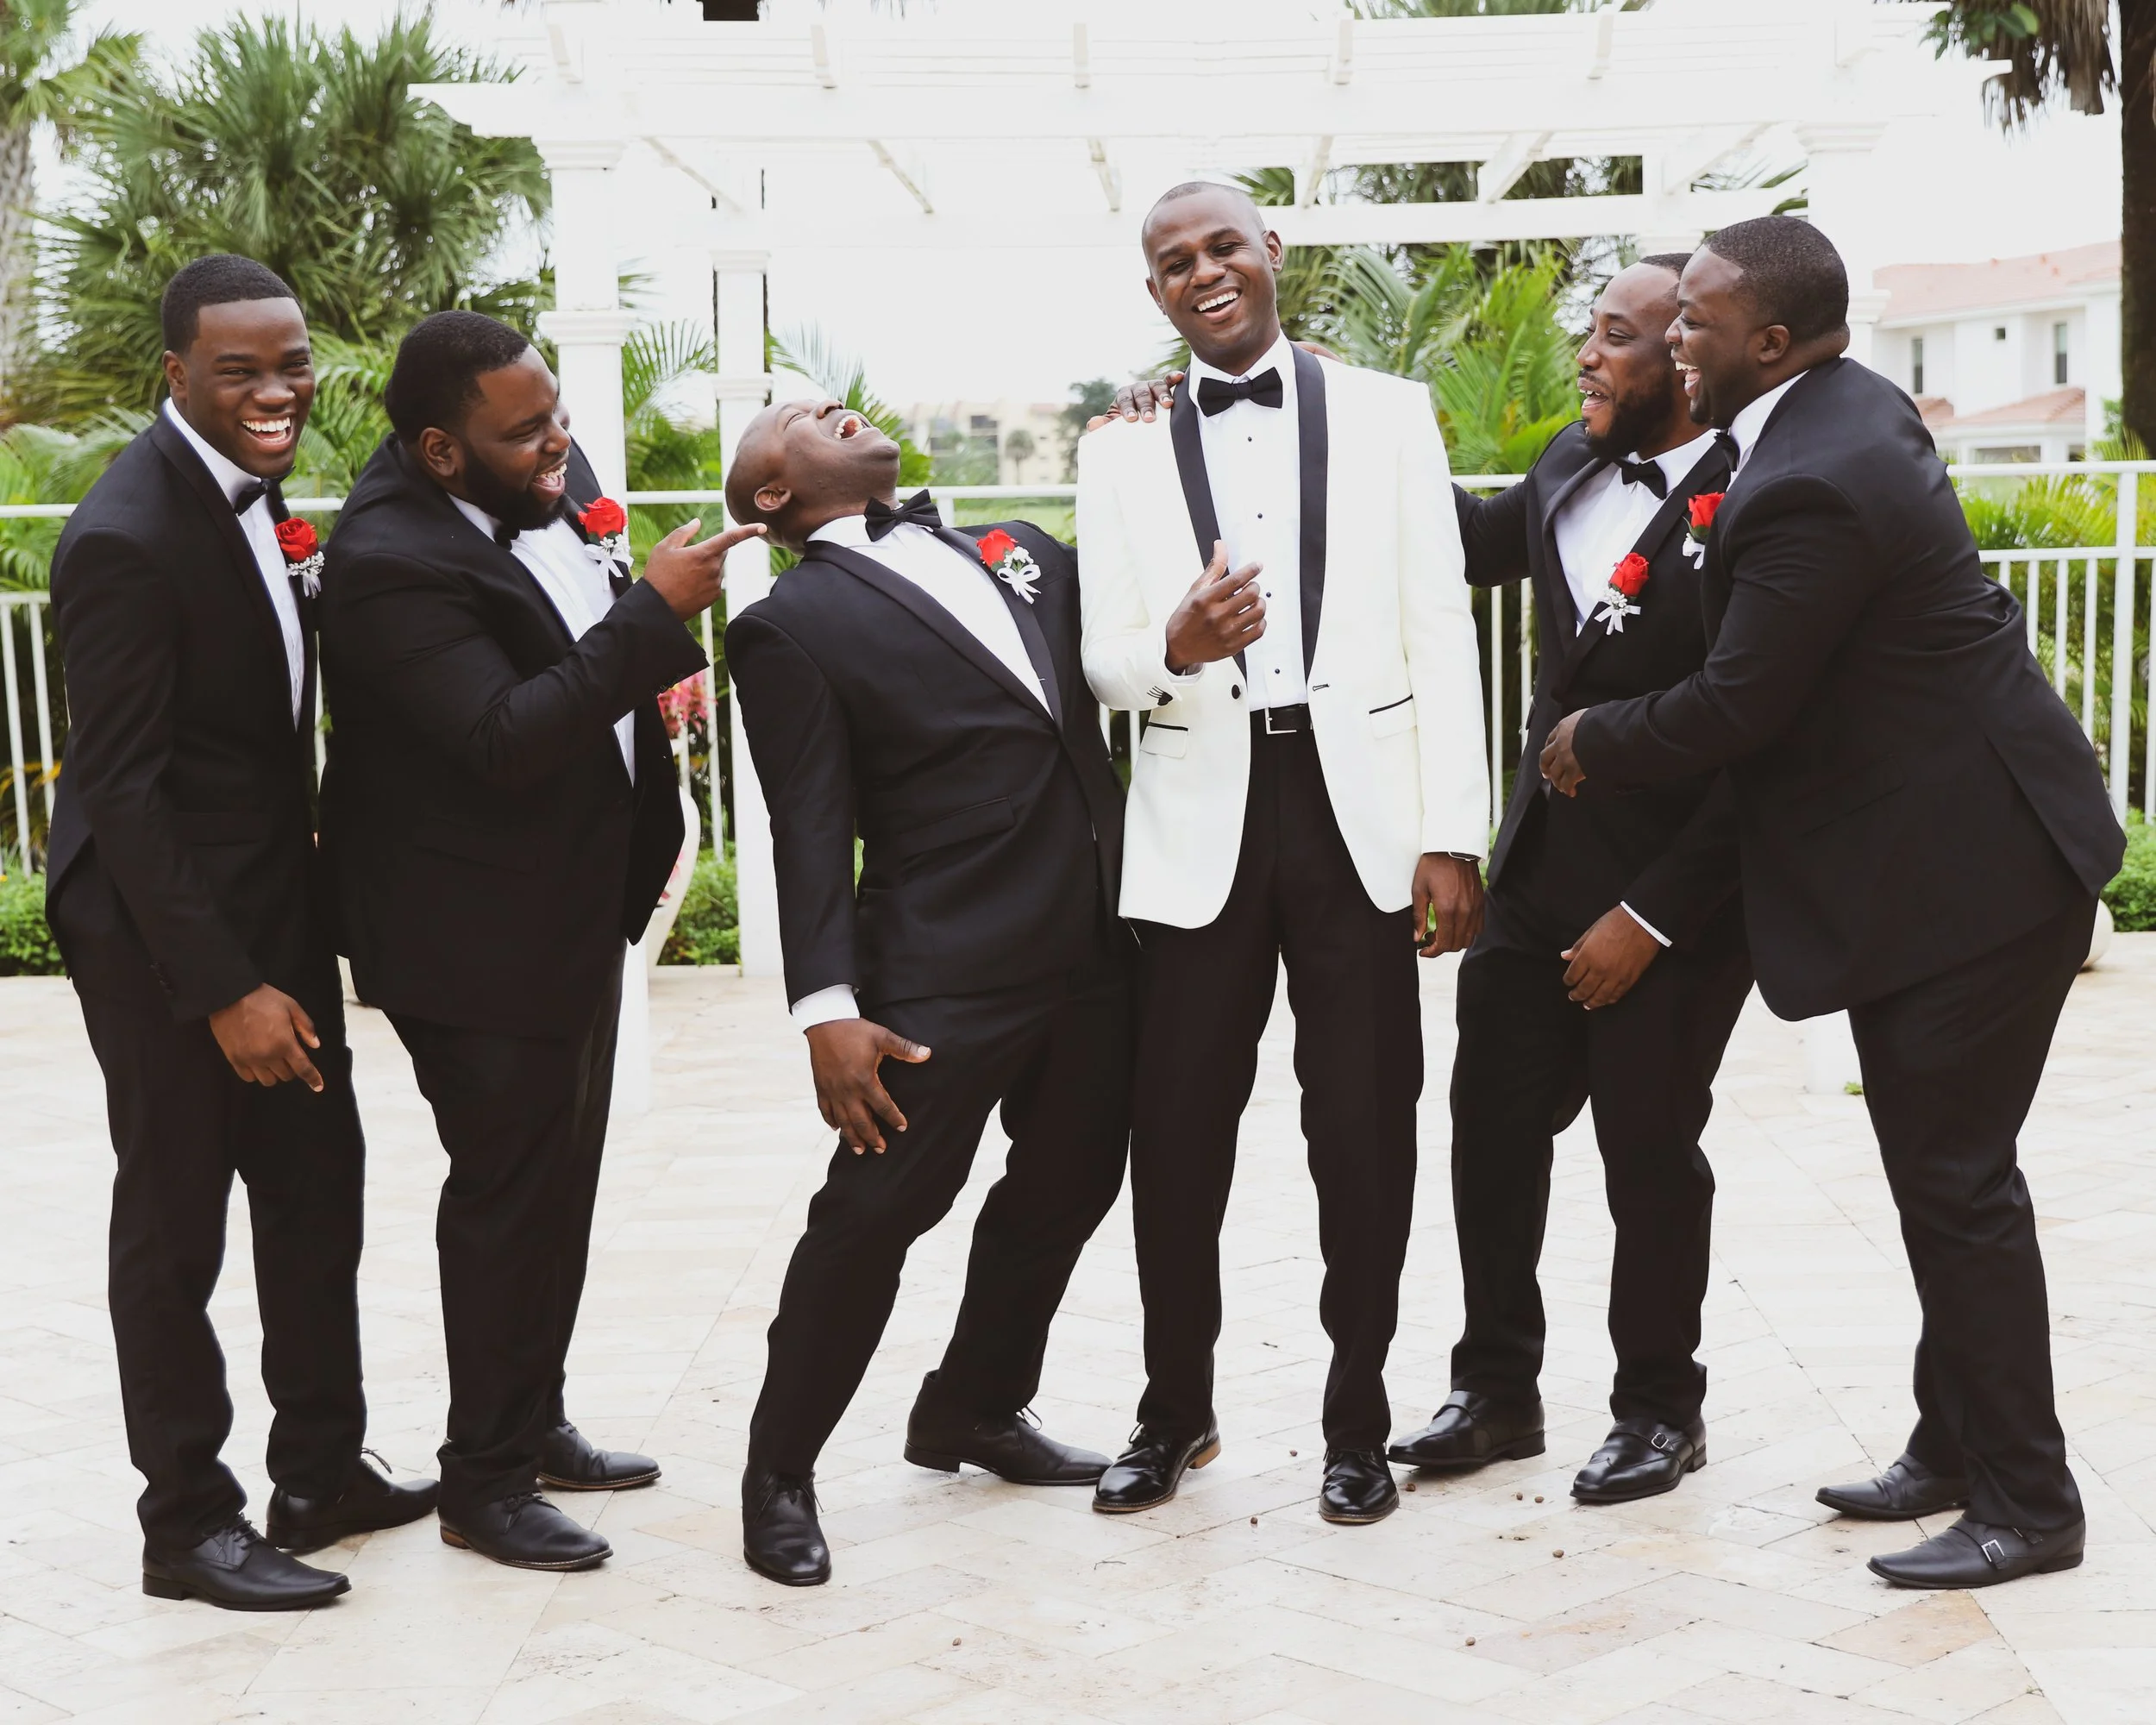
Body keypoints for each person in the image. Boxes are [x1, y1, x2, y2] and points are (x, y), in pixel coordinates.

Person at [1541, 216, 2125, 1589]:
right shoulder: (1836, 411)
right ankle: (1953, 1447)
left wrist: (1591, 740)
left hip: (1973, 880)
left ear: (1771, 340)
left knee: (1957, 1187)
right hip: (1958, 858)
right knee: (1947, 1176)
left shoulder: (1813, 475)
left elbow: (1742, 702)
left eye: (1695, 319)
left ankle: (2031, 1506)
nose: (1674, 337)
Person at [318, 311, 762, 1572]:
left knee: (558, 1186)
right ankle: (486, 1480)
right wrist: (656, 612)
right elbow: (503, 737)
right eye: (527, 432)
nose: (561, 442)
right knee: (507, 1196)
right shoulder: (388, 560)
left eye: (557, 411)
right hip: (468, 934)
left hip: (566, 910)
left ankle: (533, 1416)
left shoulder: (539, 483)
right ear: (441, 450)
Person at [1076, 182, 1489, 1527]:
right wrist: (1172, 647)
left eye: (1224, 247)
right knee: (1174, 1136)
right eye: (1173, 261)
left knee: (1362, 1130)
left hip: (1356, 813)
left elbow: (1441, 627)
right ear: (1154, 292)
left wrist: (1451, 832)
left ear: (1272, 254)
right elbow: (1102, 660)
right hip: (1196, 820)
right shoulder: (1117, 449)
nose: (1203, 272)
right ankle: (1173, 1412)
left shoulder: (1391, 414)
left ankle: (1356, 1424)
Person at [44, 255, 436, 1611]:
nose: (278, 391)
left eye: (292, 363)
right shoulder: (123, 532)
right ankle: (187, 1525)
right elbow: (126, 793)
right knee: (176, 1228)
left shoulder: (258, 502)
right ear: (176, 374)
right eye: (241, 371)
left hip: (270, 904)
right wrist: (223, 989)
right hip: (162, 936)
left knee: (317, 1187)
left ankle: (320, 1474)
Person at [724, 399, 1130, 1588]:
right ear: (772, 497)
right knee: (875, 1215)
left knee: (1069, 1185)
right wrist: (826, 1008)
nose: (823, 405)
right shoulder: (789, 623)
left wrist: (1143, 430)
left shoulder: (1012, 545)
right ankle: (778, 1472)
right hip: (942, 970)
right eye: (792, 418)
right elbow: (808, 826)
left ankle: (973, 1406)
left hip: (1099, 948)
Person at [1382, 256, 1751, 1503]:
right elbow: (1463, 540)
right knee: (1489, 1134)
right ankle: (1496, 1390)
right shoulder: (1567, 459)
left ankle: (1660, 1409)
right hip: (1538, 869)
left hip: (1672, 896)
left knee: (1649, 1154)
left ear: (1683, 361)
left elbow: (1763, 736)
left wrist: (1653, 914)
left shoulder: (1757, 498)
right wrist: (1344, 413)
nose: (1585, 357)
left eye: (1613, 337)